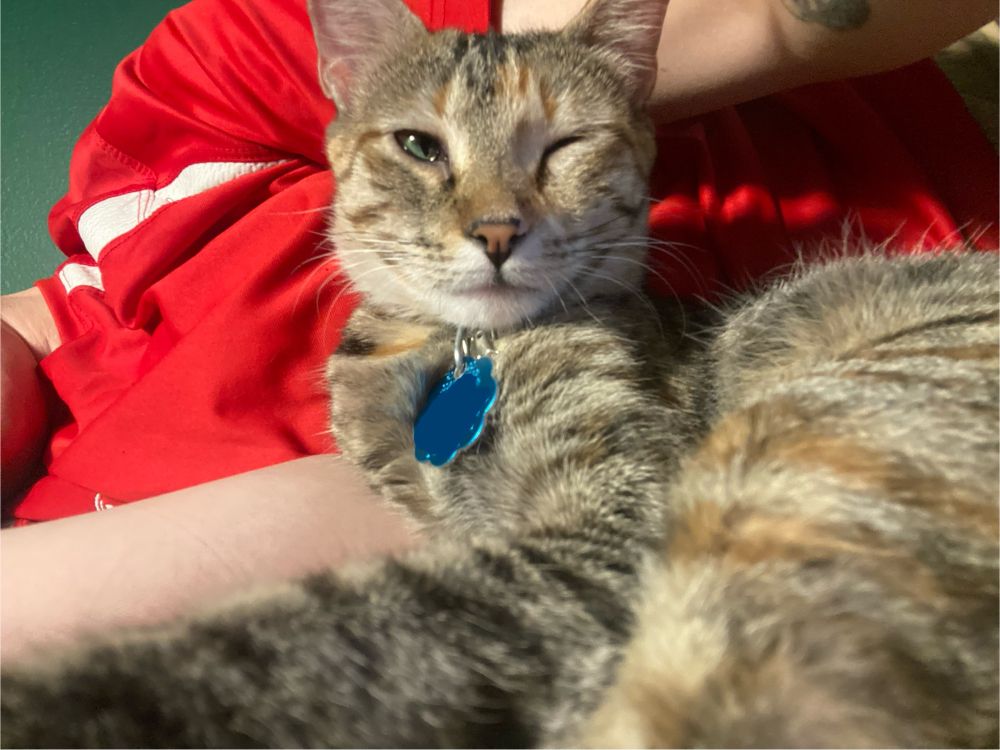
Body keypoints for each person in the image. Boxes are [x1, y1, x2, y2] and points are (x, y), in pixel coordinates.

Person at [2, 0, 996, 663]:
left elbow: (792, 23)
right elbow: (47, 310)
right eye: (419, 149)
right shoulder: (205, 95)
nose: (491, 215)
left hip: (504, 525)